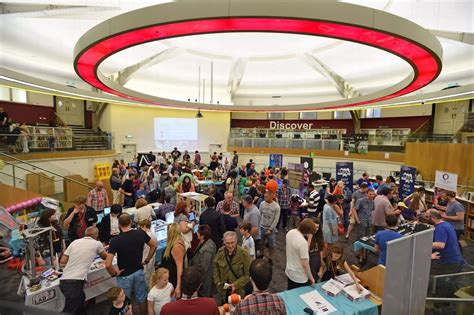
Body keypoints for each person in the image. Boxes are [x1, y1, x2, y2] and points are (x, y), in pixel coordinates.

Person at [105, 213, 157, 315]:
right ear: (131, 222)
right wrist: (146, 260)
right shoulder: (140, 233)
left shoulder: (115, 241)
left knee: (124, 300)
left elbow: (107, 264)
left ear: (119, 225)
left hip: (124, 275)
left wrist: (114, 273)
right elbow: (154, 245)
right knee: (142, 297)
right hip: (139, 270)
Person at [59, 227, 106, 314]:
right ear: (96, 235)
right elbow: (105, 257)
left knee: (80, 303)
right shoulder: (97, 243)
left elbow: (62, 261)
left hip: (64, 280)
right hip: (74, 282)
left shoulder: (75, 242)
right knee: (70, 310)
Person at [425, 209, 463, 275]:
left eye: (427, 217)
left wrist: (423, 244)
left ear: (433, 218)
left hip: (448, 262)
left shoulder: (440, 228)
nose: (426, 219)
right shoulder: (446, 224)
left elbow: (440, 245)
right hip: (454, 259)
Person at [285, 218, 317, 289]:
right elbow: (305, 264)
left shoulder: (290, 232)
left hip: (289, 270)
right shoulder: (303, 243)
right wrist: (311, 278)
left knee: (290, 290)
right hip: (299, 276)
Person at [159, 223, 186, 298]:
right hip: (169, 278)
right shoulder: (174, 243)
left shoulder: (177, 246)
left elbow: (179, 267)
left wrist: (178, 285)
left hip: (173, 279)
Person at [191, 224, 216, 297]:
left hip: (205, 280)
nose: (197, 233)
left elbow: (204, 267)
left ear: (202, 236)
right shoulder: (203, 241)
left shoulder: (208, 249)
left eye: (198, 232)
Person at [353, 189, 376, 265]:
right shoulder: (361, 201)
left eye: (373, 194)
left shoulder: (373, 201)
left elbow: (372, 210)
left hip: (369, 223)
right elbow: (354, 209)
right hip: (361, 222)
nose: (372, 196)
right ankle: (360, 255)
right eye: (370, 194)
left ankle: (363, 254)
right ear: (367, 194)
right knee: (360, 239)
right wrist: (357, 220)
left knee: (367, 239)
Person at [259, 191, 280, 263]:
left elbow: (276, 219)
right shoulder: (262, 204)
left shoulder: (276, 206)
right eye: (264, 196)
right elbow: (259, 215)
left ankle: (270, 258)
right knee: (261, 243)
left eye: (266, 197)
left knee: (271, 245)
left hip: (270, 229)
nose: (265, 198)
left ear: (272, 196)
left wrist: (270, 229)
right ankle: (261, 254)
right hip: (261, 227)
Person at [139, 219, 157, 285]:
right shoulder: (154, 234)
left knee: (146, 278)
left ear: (144, 226)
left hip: (145, 259)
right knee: (152, 275)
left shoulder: (145, 236)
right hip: (152, 257)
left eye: (140, 227)